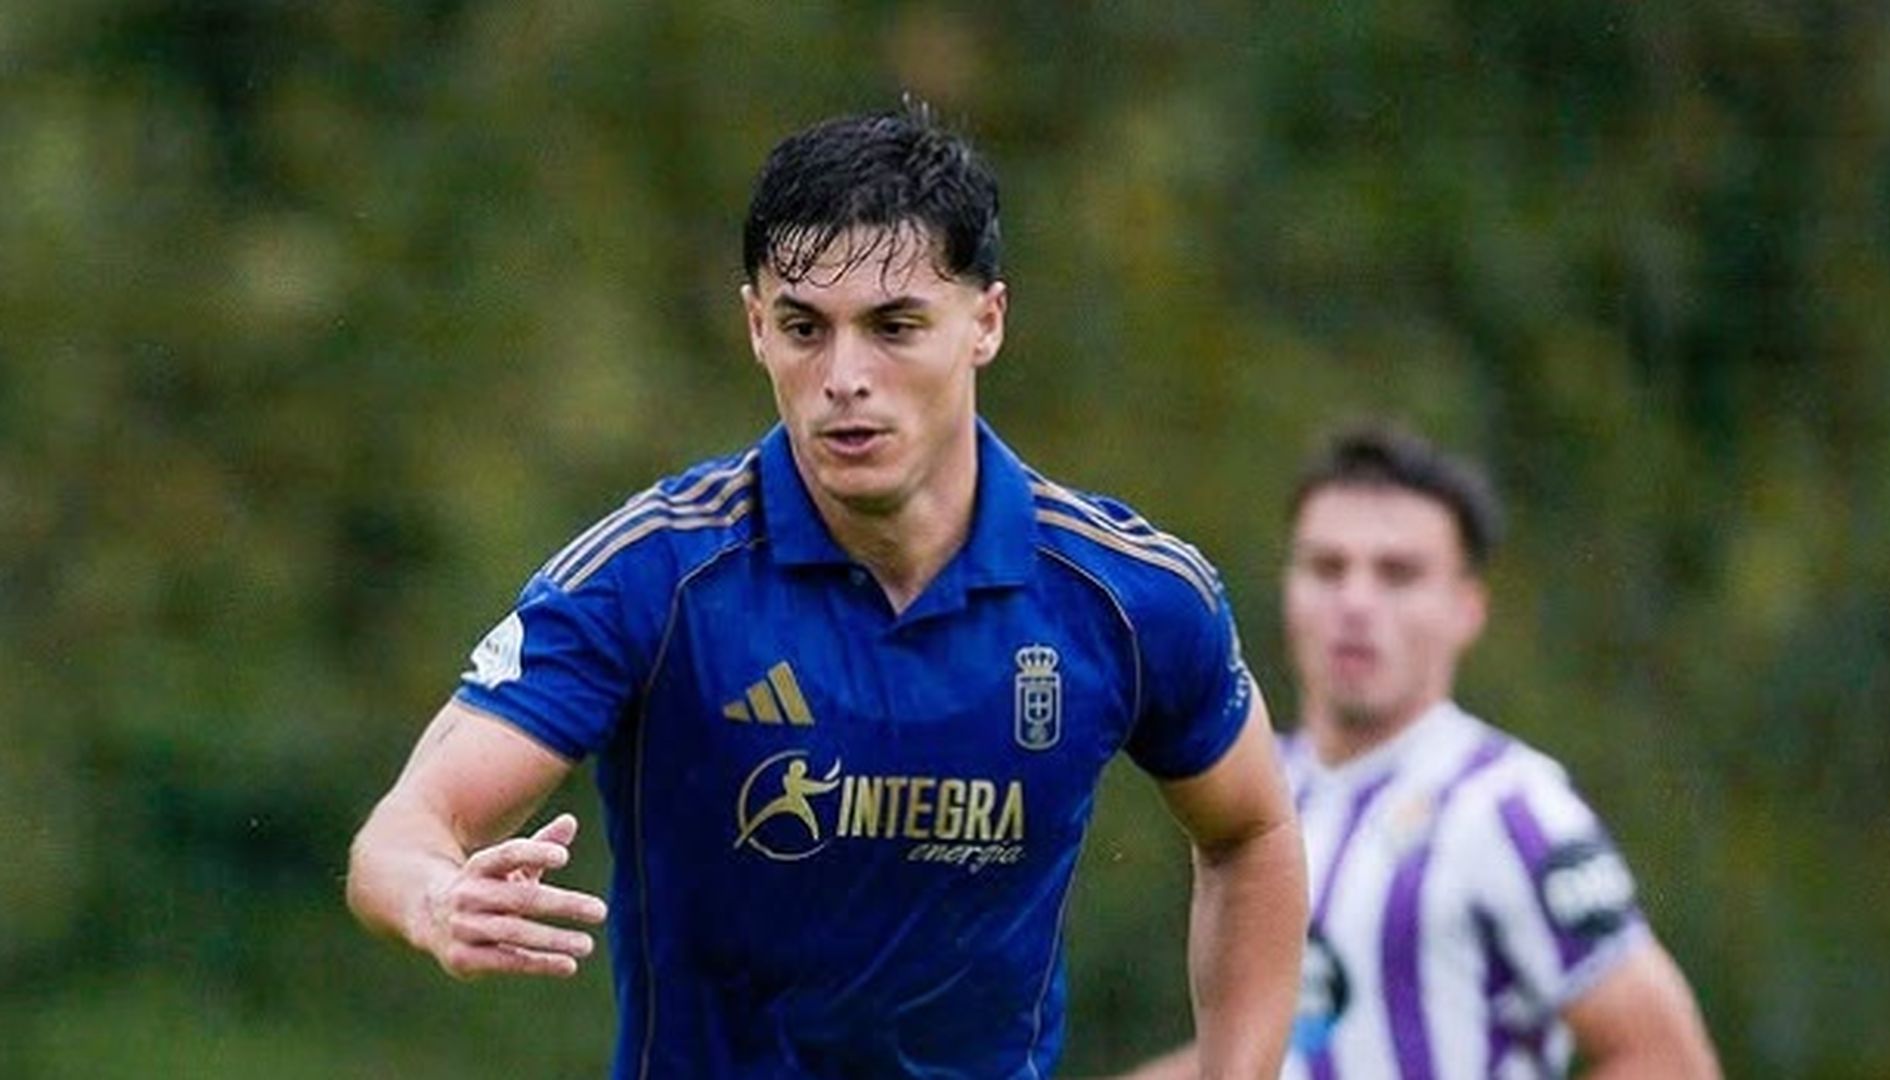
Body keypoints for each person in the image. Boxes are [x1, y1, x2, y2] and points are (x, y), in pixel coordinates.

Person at [344, 103, 1308, 1079]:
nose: (845, 376)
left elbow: (1251, 833)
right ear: (756, 328)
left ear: (986, 322)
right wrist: (437, 899)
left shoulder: (1128, 597)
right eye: (805, 327)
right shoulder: (652, 577)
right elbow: (406, 829)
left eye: (894, 327)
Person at [1120, 423, 1721, 1079]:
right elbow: (1300, 1050)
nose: (1355, 602)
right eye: (1326, 568)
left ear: (1467, 607)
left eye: (1397, 575)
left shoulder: (1512, 806)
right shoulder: (1260, 792)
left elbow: (1668, 1059)